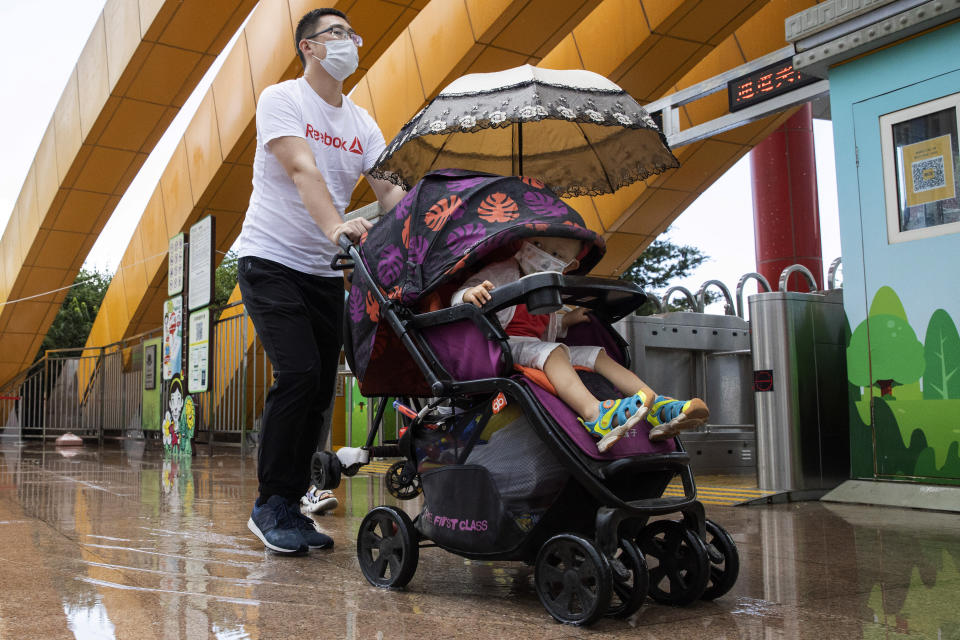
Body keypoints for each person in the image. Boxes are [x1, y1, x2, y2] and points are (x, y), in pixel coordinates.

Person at [238, 8, 405, 555]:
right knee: (300, 373)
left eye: (353, 34)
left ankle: (297, 498)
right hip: (270, 261)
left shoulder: (362, 123)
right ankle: (271, 506)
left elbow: (390, 193)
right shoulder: (282, 99)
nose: (350, 42)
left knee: (319, 390)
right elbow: (301, 170)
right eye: (337, 34)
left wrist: (424, 233)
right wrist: (336, 226)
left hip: (322, 273)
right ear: (309, 47)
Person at [453, 236, 709, 451]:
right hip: (499, 348)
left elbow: (547, 329)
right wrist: (467, 294)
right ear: (525, 242)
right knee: (553, 352)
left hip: (531, 347)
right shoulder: (502, 271)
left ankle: (654, 406)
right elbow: (458, 297)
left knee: (596, 354)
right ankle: (595, 415)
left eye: (555, 253)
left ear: (569, 265)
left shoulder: (550, 285)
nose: (542, 253)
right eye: (538, 244)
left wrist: (567, 321)